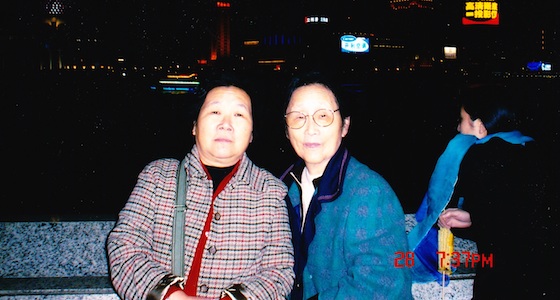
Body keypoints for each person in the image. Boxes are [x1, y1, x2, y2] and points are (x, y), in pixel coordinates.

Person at [107, 77, 295, 300]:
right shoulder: (157, 177)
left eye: (239, 114)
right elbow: (124, 246)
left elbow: (279, 272)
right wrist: (172, 297)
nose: (226, 124)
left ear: (252, 133)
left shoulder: (271, 192)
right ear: (195, 126)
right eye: (215, 112)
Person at [409, 83, 555, 298]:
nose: (458, 128)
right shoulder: (533, 148)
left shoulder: (481, 154)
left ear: (479, 126)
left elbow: (498, 225)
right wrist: (472, 217)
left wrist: (472, 219)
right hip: (543, 273)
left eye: (461, 120)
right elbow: (514, 215)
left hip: (503, 280)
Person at [279, 72, 413, 300]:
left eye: (323, 116)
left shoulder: (371, 192)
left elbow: (382, 285)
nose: (310, 129)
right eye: (298, 117)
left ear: (345, 125)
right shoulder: (282, 189)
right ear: (286, 129)